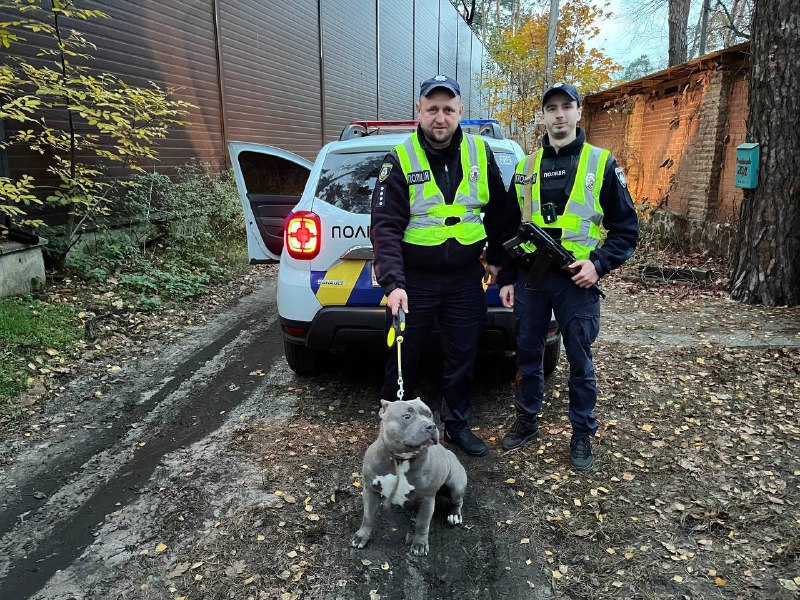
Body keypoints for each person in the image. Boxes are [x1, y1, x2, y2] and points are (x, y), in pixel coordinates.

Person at [494, 82, 639, 470]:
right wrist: (505, 278)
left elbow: (626, 229)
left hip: (578, 277)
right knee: (527, 353)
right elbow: (508, 228)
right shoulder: (525, 166)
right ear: (543, 115)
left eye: (566, 107)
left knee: (579, 359)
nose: (559, 114)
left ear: (578, 113)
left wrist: (599, 264)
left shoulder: (601, 162)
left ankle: (581, 433)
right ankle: (527, 421)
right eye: (551, 108)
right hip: (530, 279)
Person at [370, 75, 507, 457]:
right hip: (413, 281)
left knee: (463, 356)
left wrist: (496, 260)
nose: (440, 117)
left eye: (448, 109)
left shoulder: (481, 153)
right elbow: (384, 227)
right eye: (433, 109)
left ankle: (458, 425)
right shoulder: (399, 158)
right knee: (403, 359)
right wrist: (394, 283)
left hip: (465, 278)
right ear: (420, 111)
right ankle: (395, 433)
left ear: (460, 112)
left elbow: (500, 213)